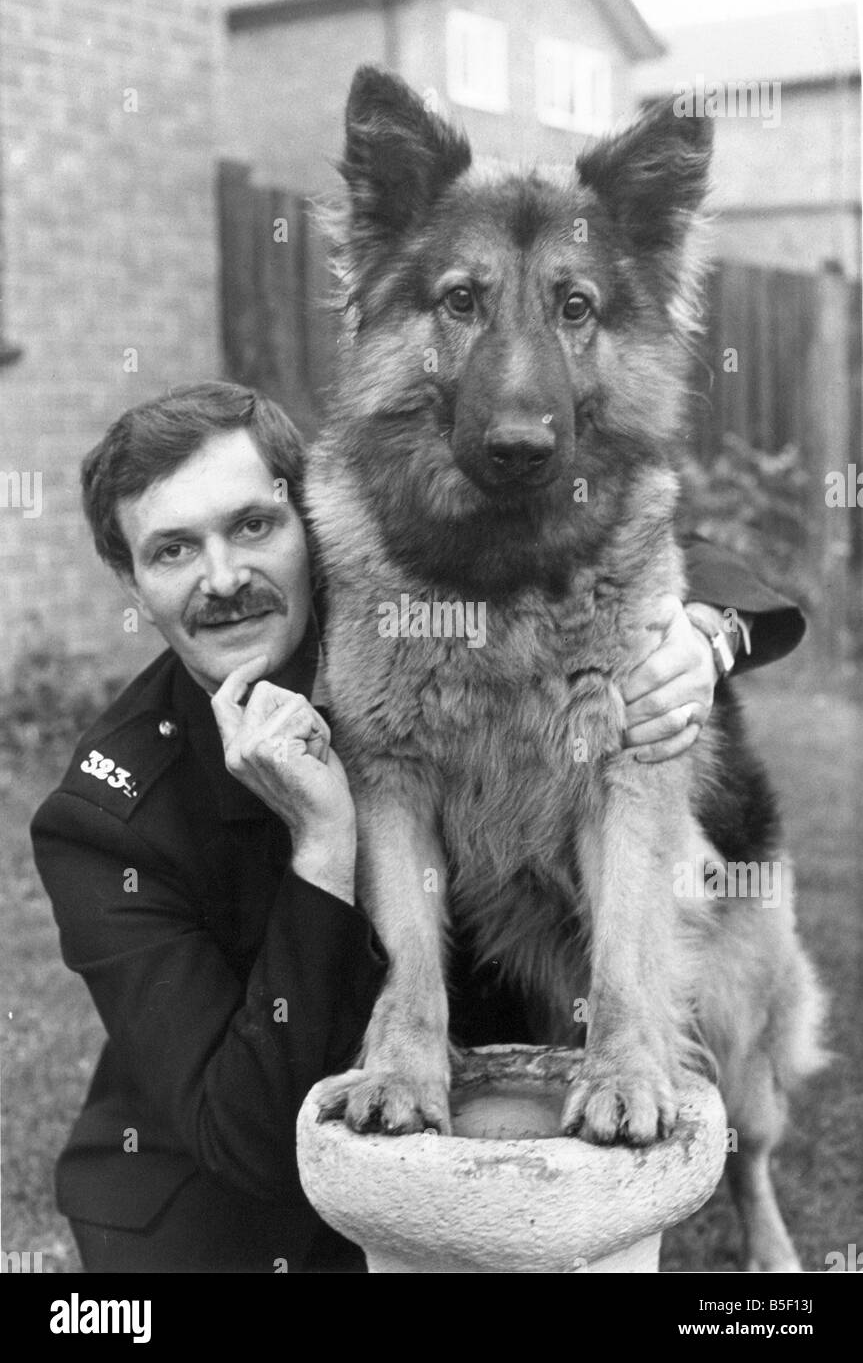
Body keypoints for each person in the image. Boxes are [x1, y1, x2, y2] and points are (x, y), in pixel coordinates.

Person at [30, 382, 805, 1274]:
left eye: (252, 526)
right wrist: (323, 852)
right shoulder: (105, 825)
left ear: (315, 522)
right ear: (130, 581)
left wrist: (702, 636)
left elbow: (633, 539)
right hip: (228, 1205)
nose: (224, 579)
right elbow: (240, 1132)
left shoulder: (410, 605)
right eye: (172, 551)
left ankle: (753, 1194)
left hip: (466, 1124)